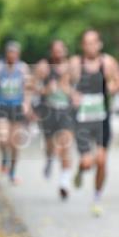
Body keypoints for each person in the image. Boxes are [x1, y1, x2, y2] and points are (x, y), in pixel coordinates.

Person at [70, 29, 119, 216]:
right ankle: (81, 169)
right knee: (87, 162)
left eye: (94, 42)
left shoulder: (107, 63)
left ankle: (97, 197)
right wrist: (72, 94)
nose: (91, 46)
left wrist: (113, 86)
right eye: (87, 42)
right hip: (83, 120)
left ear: (100, 44)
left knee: (101, 161)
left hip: (102, 119)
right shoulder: (76, 64)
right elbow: (63, 84)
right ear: (83, 45)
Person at [34, 40, 76, 198]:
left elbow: (79, 86)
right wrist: (45, 89)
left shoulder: (71, 67)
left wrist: (70, 91)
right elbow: (32, 86)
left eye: (61, 50)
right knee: (50, 146)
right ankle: (49, 159)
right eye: (55, 50)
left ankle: (64, 182)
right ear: (51, 52)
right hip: (48, 111)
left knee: (65, 145)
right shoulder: (43, 66)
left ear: (65, 51)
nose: (58, 53)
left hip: (66, 111)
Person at [0, 41, 32, 184]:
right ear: (6, 54)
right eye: (10, 52)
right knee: (3, 139)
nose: (12, 55)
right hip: (3, 106)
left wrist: (26, 103)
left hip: (17, 107)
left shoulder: (23, 68)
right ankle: (4, 157)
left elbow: (28, 88)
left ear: (18, 54)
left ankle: (12, 172)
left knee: (15, 143)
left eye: (15, 53)